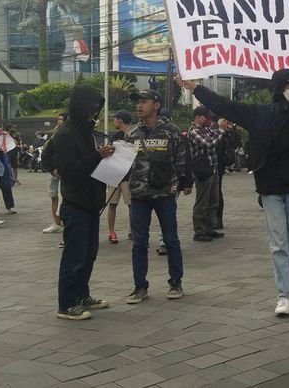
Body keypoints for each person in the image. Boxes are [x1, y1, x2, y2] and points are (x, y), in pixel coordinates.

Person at [179, 69, 289, 316]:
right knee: (279, 244)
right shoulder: (257, 114)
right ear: (279, 88)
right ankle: (283, 295)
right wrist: (195, 88)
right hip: (271, 187)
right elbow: (224, 105)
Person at [124, 89, 192, 305]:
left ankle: (175, 283)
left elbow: (181, 160)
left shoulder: (171, 131)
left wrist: (181, 184)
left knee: (171, 240)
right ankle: (139, 286)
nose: (139, 106)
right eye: (138, 102)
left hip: (164, 195)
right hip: (139, 195)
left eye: (144, 101)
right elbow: (125, 164)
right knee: (139, 243)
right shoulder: (132, 134)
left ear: (157, 104)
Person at [53, 86, 115, 320]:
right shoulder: (66, 134)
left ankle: (81, 295)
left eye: (98, 109)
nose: (95, 114)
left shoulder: (86, 131)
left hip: (91, 202)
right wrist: (98, 156)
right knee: (74, 256)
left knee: (89, 255)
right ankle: (66, 304)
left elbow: (89, 165)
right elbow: (67, 169)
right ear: (80, 106)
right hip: (76, 203)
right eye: (92, 109)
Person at [188, 106, 227, 242]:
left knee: (213, 201)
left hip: (213, 169)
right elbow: (208, 144)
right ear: (198, 117)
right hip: (203, 171)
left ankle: (209, 228)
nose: (209, 120)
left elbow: (213, 136)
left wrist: (220, 129)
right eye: (206, 117)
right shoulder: (193, 131)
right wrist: (221, 131)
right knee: (202, 202)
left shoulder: (205, 129)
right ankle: (199, 231)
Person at [106, 110, 134, 244]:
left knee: (131, 205)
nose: (114, 121)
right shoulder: (115, 136)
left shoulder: (134, 135)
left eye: (115, 119)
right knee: (112, 204)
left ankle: (133, 230)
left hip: (129, 176)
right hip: (114, 174)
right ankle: (111, 231)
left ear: (120, 120)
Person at [43, 113, 68, 235]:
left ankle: (66, 222)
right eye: (58, 120)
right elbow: (46, 153)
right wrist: (52, 169)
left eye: (62, 120)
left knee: (66, 199)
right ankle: (57, 223)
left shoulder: (70, 134)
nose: (59, 122)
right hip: (54, 172)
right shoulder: (54, 136)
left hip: (66, 173)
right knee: (54, 196)